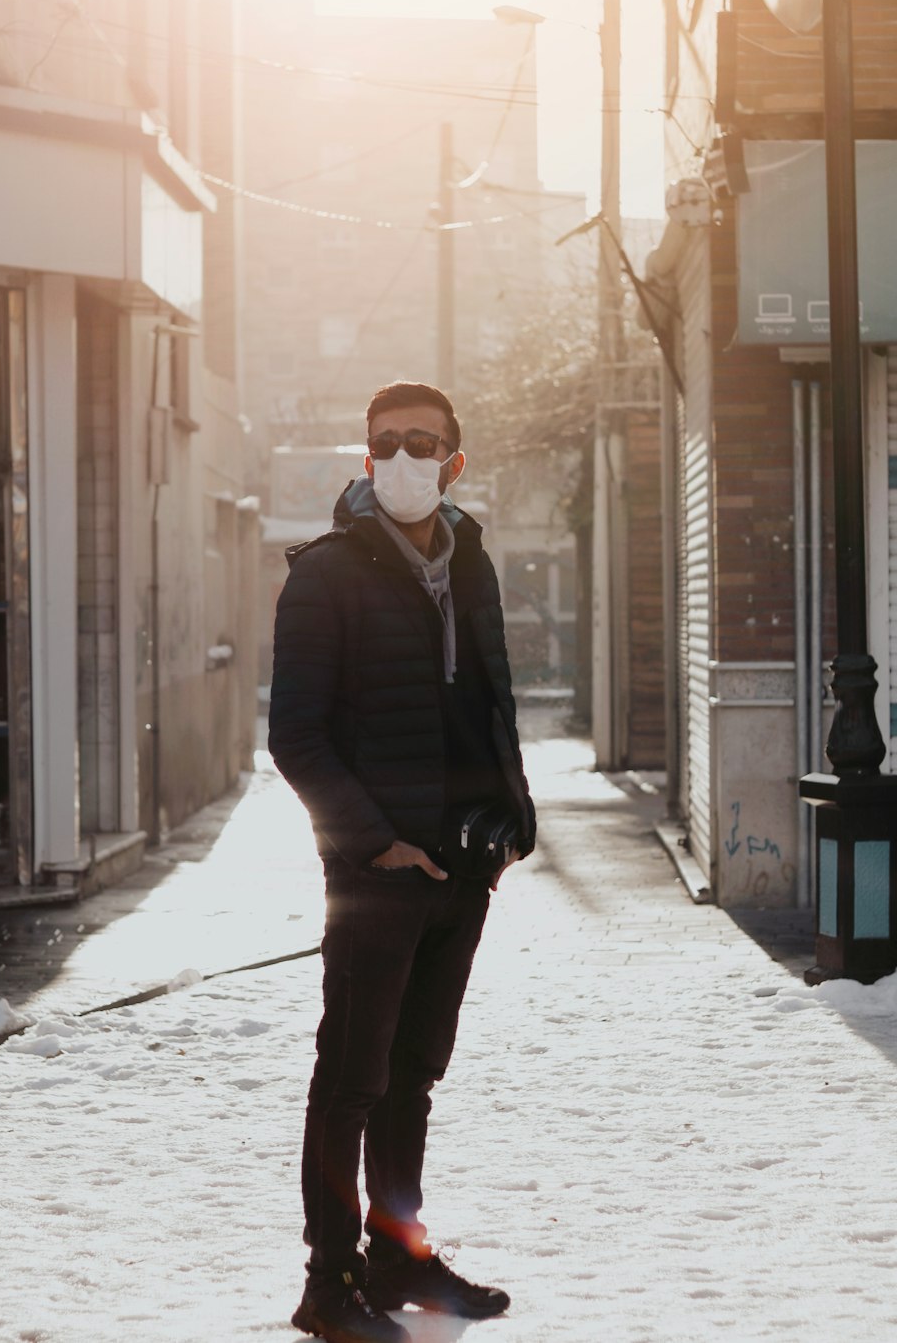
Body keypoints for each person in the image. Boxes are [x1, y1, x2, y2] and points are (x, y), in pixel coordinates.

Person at [269, 380, 536, 1343]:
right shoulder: (325, 573)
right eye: (385, 443)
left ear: (454, 460)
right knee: (352, 1081)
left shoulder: (473, 563)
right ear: (365, 453)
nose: (402, 458)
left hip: (464, 869)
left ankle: (398, 1258)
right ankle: (328, 1283)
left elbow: (493, 701)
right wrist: (376, 841)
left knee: (414, 1075)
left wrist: (514, 820)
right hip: (376, 874)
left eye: (421, 443)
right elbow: (295, 737)